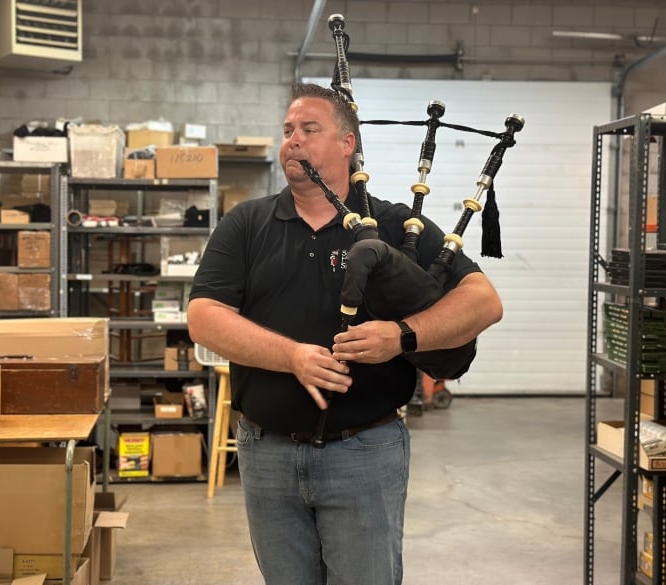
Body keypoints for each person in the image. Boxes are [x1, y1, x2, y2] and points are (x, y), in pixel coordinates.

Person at [187, 82, 503, 585]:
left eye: (310, 129)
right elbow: (203, 316)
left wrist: (403, 335)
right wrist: (292, 356)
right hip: (266, 453)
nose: (293, 140)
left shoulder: (398, 226)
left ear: (347, 143)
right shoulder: (247, 224)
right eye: (288, 130)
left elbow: (483, 302)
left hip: (365, 452)